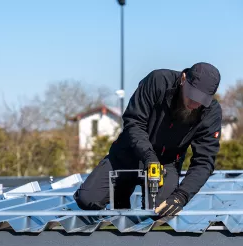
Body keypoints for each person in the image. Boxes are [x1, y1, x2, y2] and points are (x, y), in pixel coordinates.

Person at [74, 62, 222, 217]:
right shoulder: (158, 81)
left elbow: (204, 161)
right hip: (127, 155)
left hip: (166, 164)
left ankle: (136, 198)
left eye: (201, 100)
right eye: (192, 96)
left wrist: (181, 196)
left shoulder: (211, 112)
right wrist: (148, 157)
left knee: (162, 211)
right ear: (184, 79)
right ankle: (122, 191)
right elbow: (134, 122)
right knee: (87, 199)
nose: (195, 103)